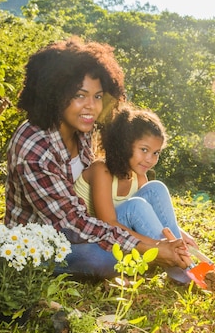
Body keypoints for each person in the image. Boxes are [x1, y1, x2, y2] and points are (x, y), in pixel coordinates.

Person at [4, 37, 190, 280]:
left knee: (153, 191)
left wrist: (168, 236)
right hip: (48, 241)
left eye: (98, 96)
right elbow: (73, 225)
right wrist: (152, 247)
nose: (91, 107)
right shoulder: (34, 148)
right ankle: (169, 261)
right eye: (80, 95)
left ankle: (182, 260)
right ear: (54, 94)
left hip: (90, 222)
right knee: (102, 257)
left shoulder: (81, 128)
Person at [74, 104, 197, 283]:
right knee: (136, 205)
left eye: (156, 153)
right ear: (125, 145)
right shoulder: (101, 170)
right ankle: (184, 271)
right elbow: (108, 223)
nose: (150, 159)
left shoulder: (138, 174)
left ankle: (181, 255)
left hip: (121, 237)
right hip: (94, 237)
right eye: (144, 150)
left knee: (156, 188)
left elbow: (151, 213)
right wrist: (155, 245)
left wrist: (180, 233)